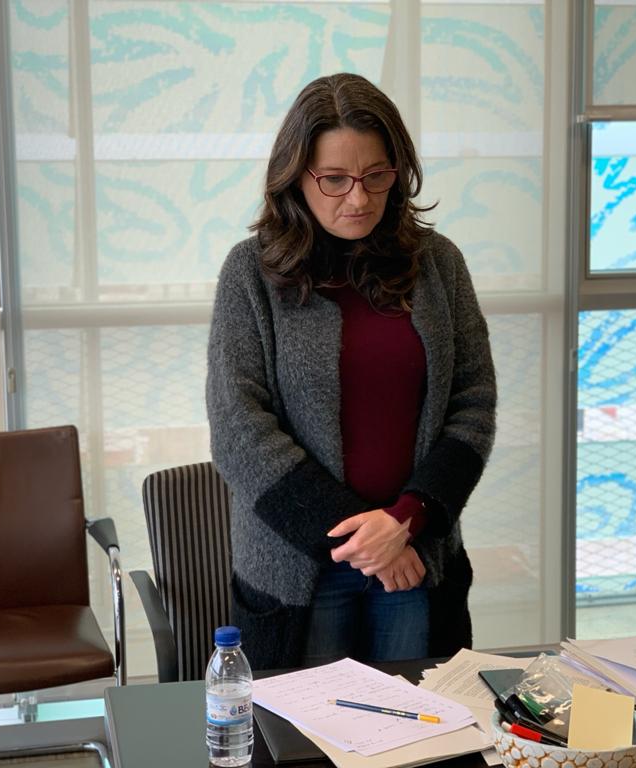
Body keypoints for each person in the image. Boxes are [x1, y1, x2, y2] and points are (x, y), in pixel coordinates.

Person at [206, 72, 496, 672]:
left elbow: (474, 403)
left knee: (420, 724)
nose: (358, 199)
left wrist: (406, 520)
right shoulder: (251, 274)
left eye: (376, 176)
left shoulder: (439, 265)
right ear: (297, 176)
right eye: (334, 179)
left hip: (416, 559)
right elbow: (238, 427)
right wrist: (371, 542)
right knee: (300, 728)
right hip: (303, 570)